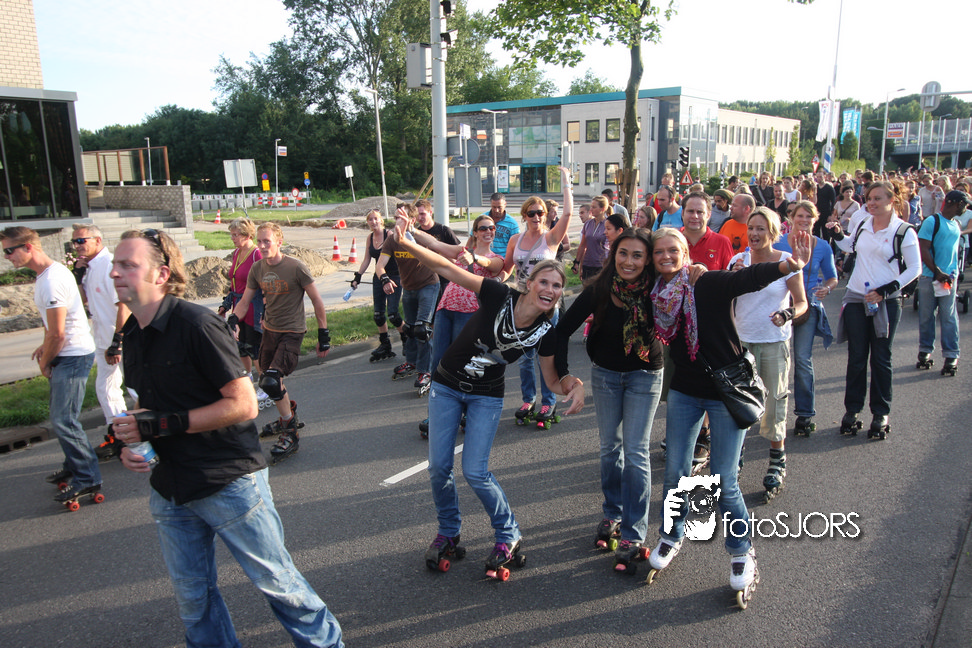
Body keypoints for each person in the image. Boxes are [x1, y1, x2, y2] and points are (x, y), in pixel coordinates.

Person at [110, 229, 344, 648]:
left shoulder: (197, 324)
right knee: (193, 600)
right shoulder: (133, 333)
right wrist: (133, 436)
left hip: (229, 482)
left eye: (128, 265)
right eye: (115, 264)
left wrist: (159, 426)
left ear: (161, 274)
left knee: (280, 586)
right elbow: (152, 404)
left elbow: (244, 405)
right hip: (171, 490)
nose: (114, 272)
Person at [390, 212, 585, 580]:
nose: (550, 290)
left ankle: (508, 534)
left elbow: (552, 379)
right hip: (446, 386)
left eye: (558, 286)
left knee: (475, 472)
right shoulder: (499, 295)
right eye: (544, 282)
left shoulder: (546, 331)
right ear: (529, 283)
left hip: (486, 397)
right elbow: (447, 269)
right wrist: (406, 243)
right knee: (438, 468)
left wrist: (574, 385)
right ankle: (448, 532)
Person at [645, 226, 811, 603]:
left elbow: (747, 279)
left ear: (685, 254)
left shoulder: (706, 282)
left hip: (725, 391)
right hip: (685, 392)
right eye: (659, 252)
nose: (666, 257)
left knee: (723, 479)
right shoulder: (655, 294)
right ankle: (672, 534)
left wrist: (789, 265)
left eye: (673, 250)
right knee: (675, 473)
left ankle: (741, 551)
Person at [556, 228, 667, 572]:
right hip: (605, 376)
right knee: (609, 449)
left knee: (635, 452)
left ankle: (634, 533)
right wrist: (564, 376)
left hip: (645, 375)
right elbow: (562, 330)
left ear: (648, 260)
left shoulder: (659, 290)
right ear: (613, 255)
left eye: (637, 255)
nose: (628, 261)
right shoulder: (600, 289)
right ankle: (612, 513)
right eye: (623, 253)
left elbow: (693, 298)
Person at [2, 226, 100, 504]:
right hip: (67, 352)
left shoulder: (51, 280)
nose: (7, 257)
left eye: (9, 250)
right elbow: (54, 325)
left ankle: (88, 478)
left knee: (64, 420)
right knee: (63, 417)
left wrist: (45, 362)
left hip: (72, 355)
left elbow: (58, 334)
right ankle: (74, 466)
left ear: (28, 247)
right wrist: (45, 346)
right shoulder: (48, 274)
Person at [230, 222, 331, 463]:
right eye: (259, 241)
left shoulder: (296, 267)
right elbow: (245, 300)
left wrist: (323, 334)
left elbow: (316, 300)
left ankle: (290, 432)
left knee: (272, 380)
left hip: (292, 331)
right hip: (270, 331)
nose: (262, 245)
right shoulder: (257, 268)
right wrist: (233, 319)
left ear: (279, 242)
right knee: (268, 381)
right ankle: (288, 415)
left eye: (267, 241)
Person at [828, 181, 921, 438]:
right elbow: (851, 246)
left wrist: (888, 289)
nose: (871, 203)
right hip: (857, 297)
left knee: (880, 358)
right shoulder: (863, 224)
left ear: (892, 200)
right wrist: (838, 235)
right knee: (857, 356)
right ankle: (852, 410)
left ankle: (880, 412)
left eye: (877, 198)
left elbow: (915, 268)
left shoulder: (903, 231)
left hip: (886, 301)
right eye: (869, 198)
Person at [728, 207, 807, 502]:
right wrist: (732, 279)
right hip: (741, 344)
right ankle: (735, 459)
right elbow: (725, 299)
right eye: (751, 228)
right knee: (738, 405)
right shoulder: (738, 261)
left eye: (761, 228)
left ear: (772, 233)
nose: (754, 233)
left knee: (774, 403)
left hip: (773, 342)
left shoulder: (787, 262)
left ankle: (777, 460)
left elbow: (801, 302)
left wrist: (787, 314)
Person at [412, 213, 505, 437]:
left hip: (469, 313)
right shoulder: (462, 250)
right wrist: (410, 230)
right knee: (437, 363)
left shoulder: (497, 258)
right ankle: (436, 414)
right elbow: (434, 244)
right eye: (483, 228)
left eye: (492, 228)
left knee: (460, 364)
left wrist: (475, 258)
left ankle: (463, 412)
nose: (488, 231)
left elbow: (491, 265)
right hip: (445, 309)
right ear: (475, 232)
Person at [504, 168, 573, 426]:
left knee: (546, 356)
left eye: (540, 213)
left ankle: (548, 402)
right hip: (523, 304)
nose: (536, 217)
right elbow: (506, 268)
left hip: (546, 305)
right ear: (524, 215)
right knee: (524, 357)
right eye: (531, 213)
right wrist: (489, 281)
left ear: (546, 215)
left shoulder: (551, 237)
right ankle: (528, 399)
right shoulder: (515, 239)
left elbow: (567, 214)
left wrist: (566, 182)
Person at [774, 201, 838, 436]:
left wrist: (827, 289)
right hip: (779, 305)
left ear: (815, 219)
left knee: (802, 359)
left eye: (808, 217)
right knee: (774, 360)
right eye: (800, 215)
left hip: (806, 307)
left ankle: (805, 414)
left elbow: (832, 277)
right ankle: (768, 411)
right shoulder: (778, 242)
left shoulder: (823, 246)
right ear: (791, 218)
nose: (804, 220)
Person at [70, 224, 129, 461]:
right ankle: (120, 435)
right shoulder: (90, 267)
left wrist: (118, 341)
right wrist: (78, 277)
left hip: (121, 338)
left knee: (137, 387)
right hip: (103, 338)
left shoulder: (108, 266)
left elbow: (124, 305)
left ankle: (160, 433)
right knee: (106, 388)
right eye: (74, 242)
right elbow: (85, 301)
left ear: (97, 240)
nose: (77, 246)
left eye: (81, 241)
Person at [374, 203, 443, 393]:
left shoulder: (420, 237)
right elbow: (380, 265)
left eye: (401, 218)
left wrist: (413, 231)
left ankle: (426, 371)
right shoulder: (392, 240)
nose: (396, 221)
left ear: (411, 220)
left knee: (422, 329)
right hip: (409, 287)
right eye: (396, 217)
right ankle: (411, 362)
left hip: (428, 285)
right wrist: (385, 279)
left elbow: (438, 247)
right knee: (410, 329)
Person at [916, 190, 970, 375]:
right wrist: (936, 271)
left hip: (948, 278)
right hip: (929, 277)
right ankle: (925, 350)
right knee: (926, 316)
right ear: (955, 203)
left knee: (949, 316)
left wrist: (951, 273)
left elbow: (953, 252)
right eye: (964, 204)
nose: (966, 208)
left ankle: (951, 354)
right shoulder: (932, 221)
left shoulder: (956, 223)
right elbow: (923, 248)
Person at [217, 218, 267, 402]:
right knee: (241, 346)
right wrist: (226, 304)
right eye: (231, 234)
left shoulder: (256, 254)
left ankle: (265, 384)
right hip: (238, 304)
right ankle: (248, 378)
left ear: (247, 235)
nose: (232, 238)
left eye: (235, 235)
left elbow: (265, 283)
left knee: (254, 346)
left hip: (253, 306)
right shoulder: (237, 252)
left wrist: (266, 310)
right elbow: (234, 283)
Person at [351, 209, 403, 363]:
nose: (373, 222)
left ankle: (407, 339)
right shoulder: (370, 237)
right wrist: (358, 277)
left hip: (394, 276)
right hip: (379, 277)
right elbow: (367, 259)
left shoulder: (389, 235)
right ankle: (385, 344)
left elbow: (400, 256)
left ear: (381, 220)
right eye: (370, 219)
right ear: (367, 222)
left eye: (376, 219)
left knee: (393, 314)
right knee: (378, 314)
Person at [574, 195, 611, 283]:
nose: (591, 209)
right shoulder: (588, 224)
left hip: (601, 265)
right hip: (588, 264)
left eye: (594, 207)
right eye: (591, 206)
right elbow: (583, 245)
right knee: (587, 289)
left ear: (603, 209)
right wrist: (577, 262)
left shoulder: (608, 224)